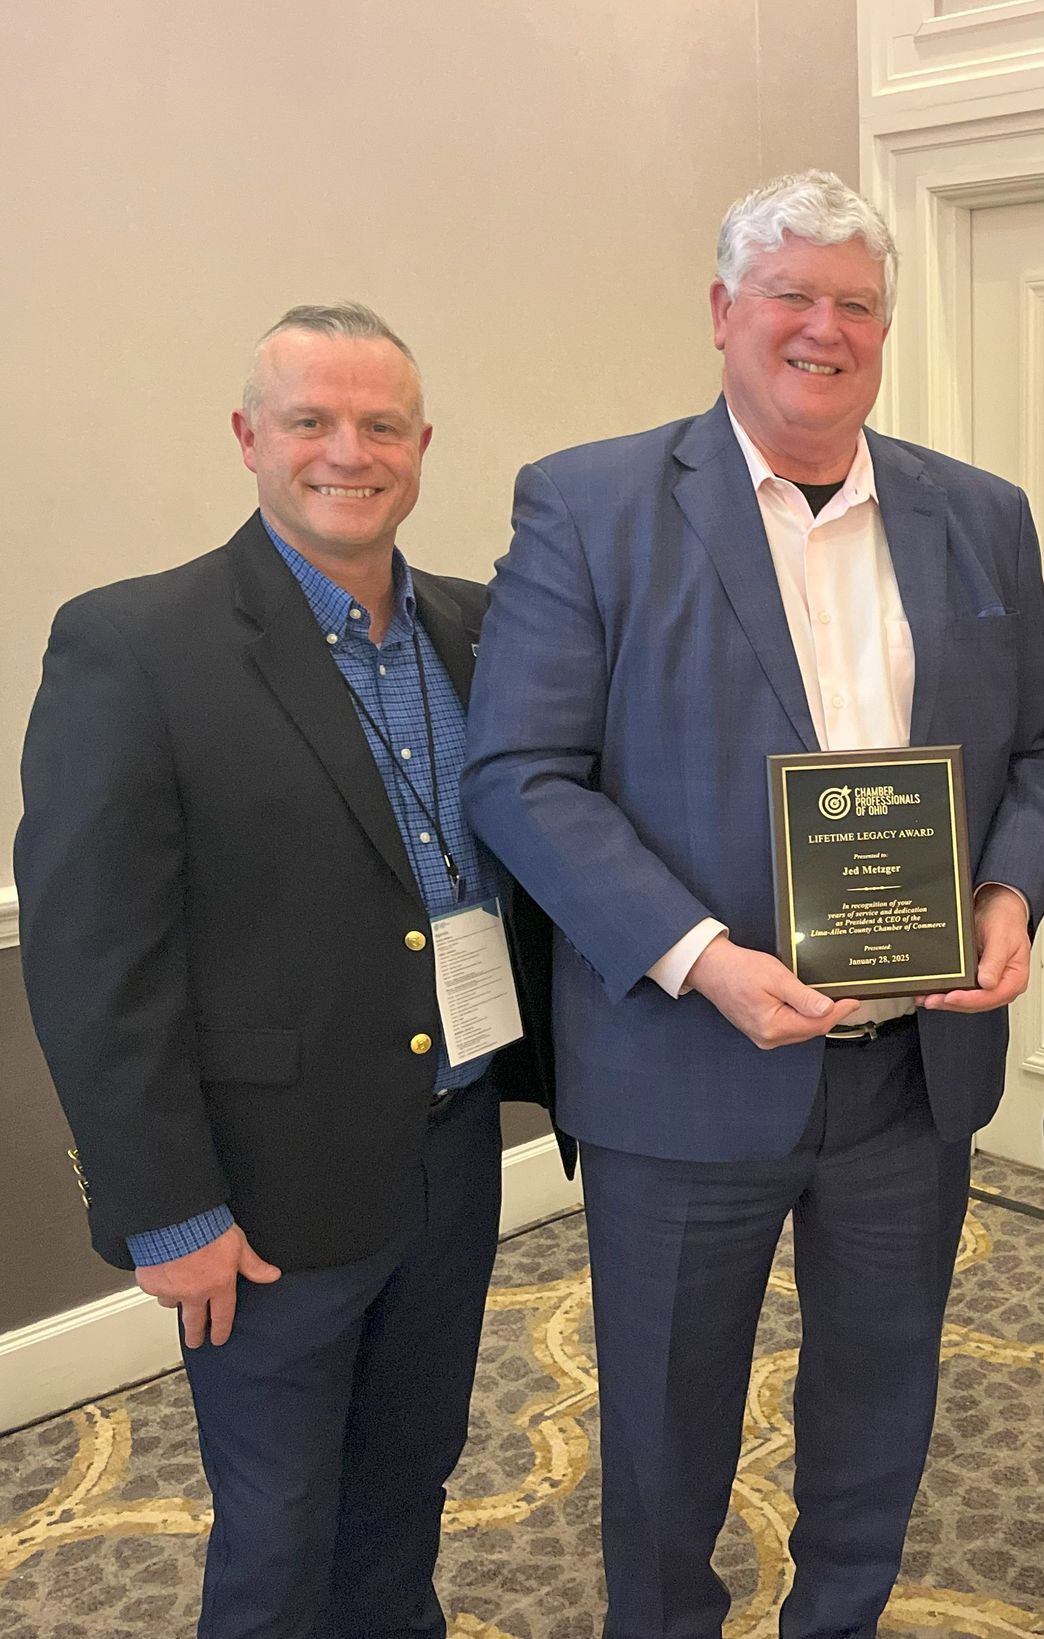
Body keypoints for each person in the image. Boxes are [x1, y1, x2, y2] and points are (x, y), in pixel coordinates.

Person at [462, 170, 1044, 1639]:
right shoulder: (592, 503)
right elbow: (519, 773)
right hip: (687, 1065)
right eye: (792, 295)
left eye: (856, 304)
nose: (825, 327)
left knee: (882, 1397)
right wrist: (702, 960)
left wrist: (1008, 890)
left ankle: (839, 1617)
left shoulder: (980, 516)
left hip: (908, 1070)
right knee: (668, 1422)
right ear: (725, 312)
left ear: (885, 330)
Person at [13, 302, 559, 1639]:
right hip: (265, 1194)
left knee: (409, 1478)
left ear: (422, 445)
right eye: (310, 419)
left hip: (450, 1149)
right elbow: (95, 963)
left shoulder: (477, 629)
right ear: (249, 436)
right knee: (277, 1522)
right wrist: (169, 1210)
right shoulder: (135, 644)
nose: (346, 450)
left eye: (380, 423)